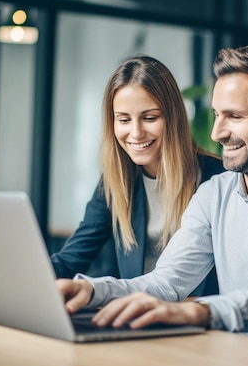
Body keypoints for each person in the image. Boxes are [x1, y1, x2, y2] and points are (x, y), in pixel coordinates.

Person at [56, 45, 248, 346]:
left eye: (234, 116)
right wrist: (91, 289)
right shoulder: (214, 193)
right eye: (217, 114)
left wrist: (199, 311)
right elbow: (165, 283)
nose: (216, 133)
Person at [50, 55, 225, 296]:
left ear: (173, 118)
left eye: (150, 118)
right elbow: (71, 259)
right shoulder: (116, 182)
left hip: (203, 321)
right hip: (138, 319)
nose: (136, 132)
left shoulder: (219, 178)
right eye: (123, 120)